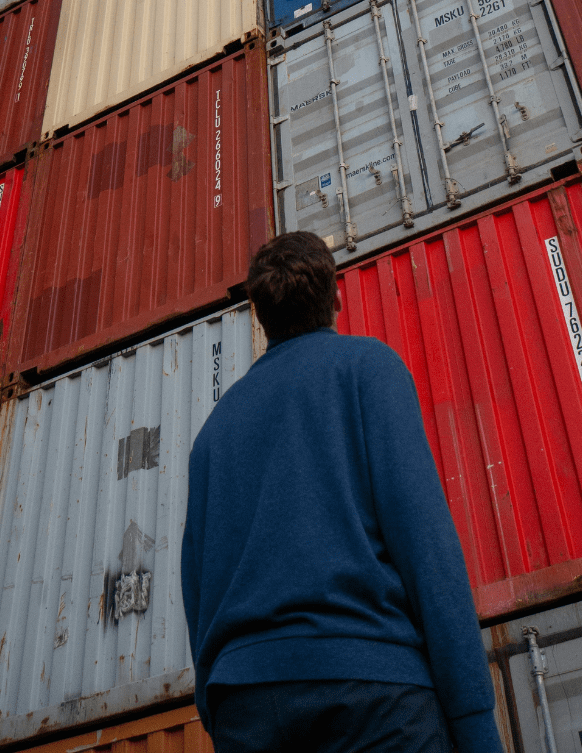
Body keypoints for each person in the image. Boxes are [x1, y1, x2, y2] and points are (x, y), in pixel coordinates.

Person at [180, 231, 504, 753]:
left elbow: (197, 595)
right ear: (336, 297)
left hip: (247, 709)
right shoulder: (368, 369)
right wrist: (474, 721)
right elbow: (427, 550)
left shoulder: (212, 436)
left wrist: (222, 712)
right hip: (374, 695)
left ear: (260, 319)